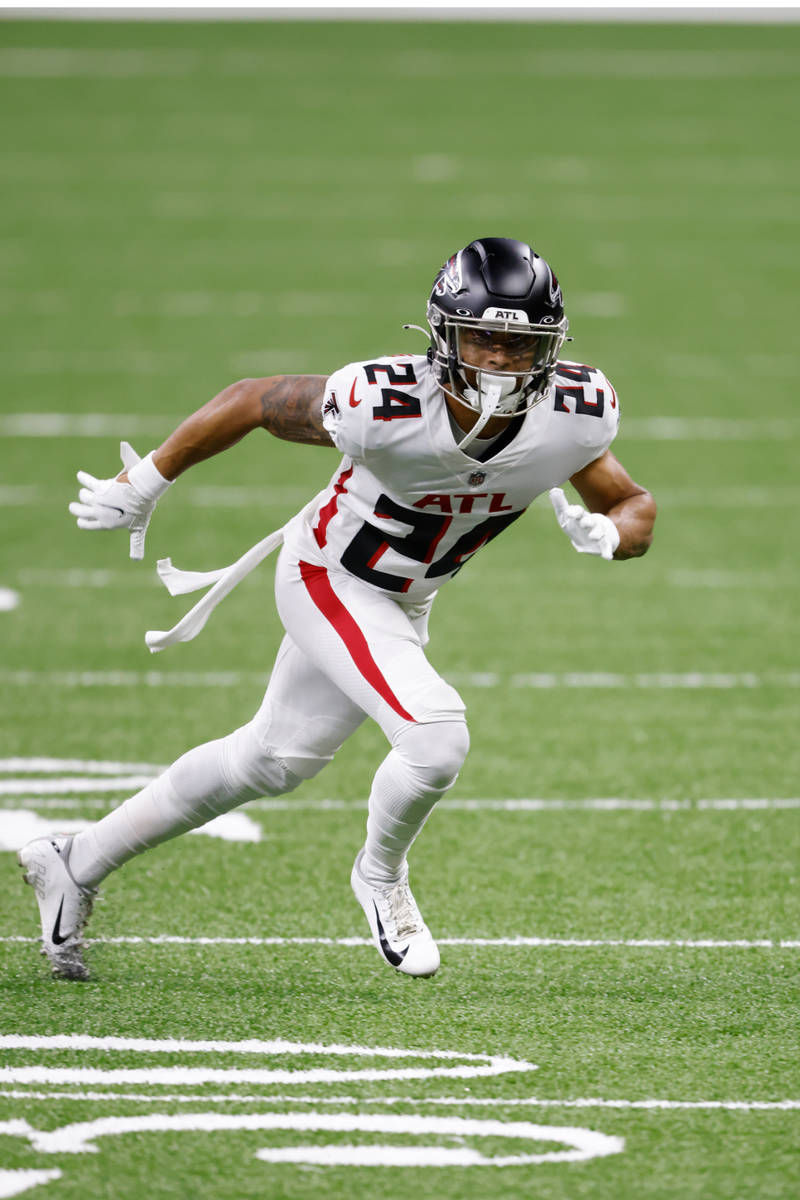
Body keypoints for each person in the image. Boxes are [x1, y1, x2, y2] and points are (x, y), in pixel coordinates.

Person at [18, 237, 656, 982]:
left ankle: (74, 861)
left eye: (522, 343)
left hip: (405, 598)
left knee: (270, 760)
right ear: (444, 334)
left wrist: (614, 533)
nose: (502, 360)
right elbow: (255, 398)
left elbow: (631, 501)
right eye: (485, 337)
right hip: (329, 577)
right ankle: (381, 877)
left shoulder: (575, 413)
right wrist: (150, 477)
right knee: (437, 736)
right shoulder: (380, 403)